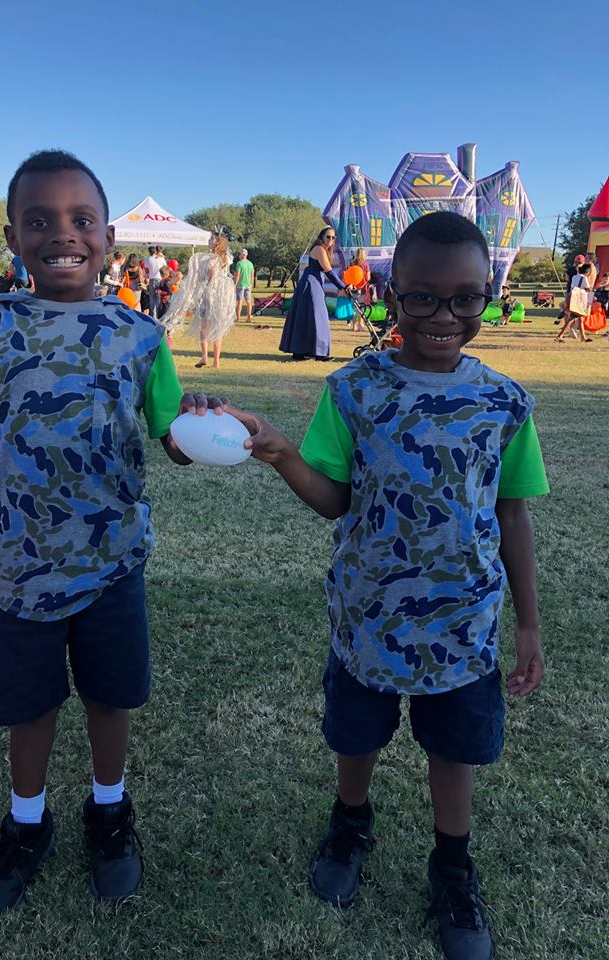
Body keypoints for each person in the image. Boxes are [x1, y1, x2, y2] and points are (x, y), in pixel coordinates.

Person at [228, 212, 549, 960]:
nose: (444, 316)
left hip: (464, 624)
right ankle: (350, 820)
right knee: (358, 732)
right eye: (422, 298)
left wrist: (528, 623)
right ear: (388, 295)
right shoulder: (354, 391)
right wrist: (280, 455)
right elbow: (336, 501)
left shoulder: (505, 404)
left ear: (488, 296)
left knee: (453, 747)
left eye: (466, 298)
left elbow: (513, 514)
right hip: (368, 614)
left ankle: (452, 863)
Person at [0, 149, 222, 925]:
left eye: (81, 219)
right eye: (39, 220)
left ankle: (108, 810)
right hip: (18, 570)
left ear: (109, 235)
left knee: (109, 696)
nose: (62, 234)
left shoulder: (141, 335)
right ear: (12, 235)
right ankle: (26, 823)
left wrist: (201, 426)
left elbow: (169, 436)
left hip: (111, 562)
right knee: (28, 706)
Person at [163, 231, 235, 368]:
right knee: (216, 328)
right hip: (220, 298)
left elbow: (210, 276)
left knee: (204, 327)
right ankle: (216, 361)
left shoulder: (212, 259)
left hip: (208, 296)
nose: (209, 240)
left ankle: (204, 357)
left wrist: (199, 283)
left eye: (212, 239)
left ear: (218, 242)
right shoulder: (225, 258)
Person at [279, 227, 352, 361]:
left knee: (307, 316)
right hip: (311, 284)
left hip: (314, 283)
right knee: (317, 317)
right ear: (322, 237)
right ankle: (318, 353)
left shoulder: (324, 249)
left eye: (333, 237)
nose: (330, 240)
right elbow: (329, 271)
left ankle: (301, 351)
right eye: (328, 237)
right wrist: (344, 286)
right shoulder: (319, 249)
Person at [555, 263, 593, 342]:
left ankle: (583, 337)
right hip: (580, 299)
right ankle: (560, 336)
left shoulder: (575, 277)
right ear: (588, 272)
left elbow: (572, 287)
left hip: (573, 298)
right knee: (573, 318)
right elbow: (588, 289)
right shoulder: (585, 278)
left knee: (580, 319)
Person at [350, 249, 371, 333]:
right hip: (362, 289)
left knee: (355, 308)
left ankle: (354, 325)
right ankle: (361, 325)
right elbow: (368, 278)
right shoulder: (365, 265)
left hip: (353, 288)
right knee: (362, 308)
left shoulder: (352, 264)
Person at [234, 248, 255, 324]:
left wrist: (235, 284)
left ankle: (238, 318)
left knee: (239, 302)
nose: (239, 255)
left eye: (240, 254)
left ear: (242, 255)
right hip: (248, 285)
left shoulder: (239, 263)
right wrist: (251, 285)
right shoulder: (250, 264)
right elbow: (252, 276)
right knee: (249, 302)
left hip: (240, 285)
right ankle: (249, 318)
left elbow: (237, 275)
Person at [146, 245, 167, 317]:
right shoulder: (161, 259)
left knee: (152, 297)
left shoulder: (147, 259)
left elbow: (146, 271)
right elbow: (165, 268)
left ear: (149, 252)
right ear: (155, 251)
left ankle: (152, 315)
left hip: (152, 279)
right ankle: (159, 314)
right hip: (160, 279)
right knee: (159, 297)